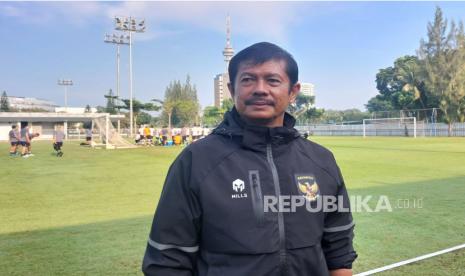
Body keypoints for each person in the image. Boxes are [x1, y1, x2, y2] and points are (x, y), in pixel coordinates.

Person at [142, 42, 357, 276]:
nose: (260, 89)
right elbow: (167, 259)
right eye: (248, 80)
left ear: (293, 92)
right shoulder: (197, 160)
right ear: (232, 90)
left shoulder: (321, 160)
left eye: (273, 80)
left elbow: (338, 247)